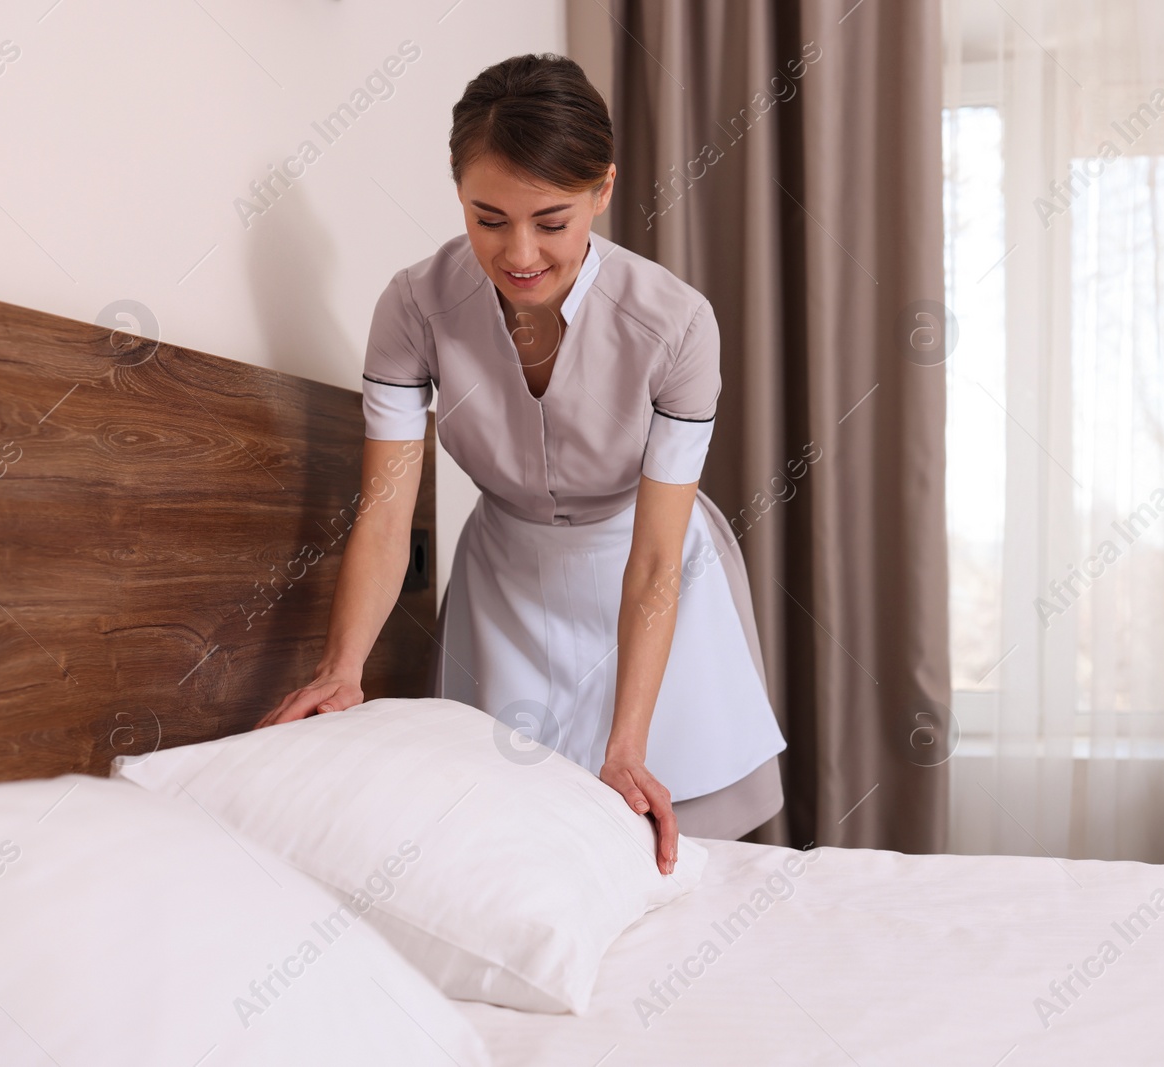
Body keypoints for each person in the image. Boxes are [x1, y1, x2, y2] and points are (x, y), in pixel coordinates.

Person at [257, 53, 787, 875]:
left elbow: (654, 564)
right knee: (503, 855)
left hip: (648, 573)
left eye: (552, 220)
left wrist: (627, 743)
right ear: (458, 192)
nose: (520, 253)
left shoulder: (677, 326)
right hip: (505, 581)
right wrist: (342, 669)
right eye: (488, 217)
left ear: (603, 191)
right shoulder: (413, 309)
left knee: (671, 862)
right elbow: (387, 512)